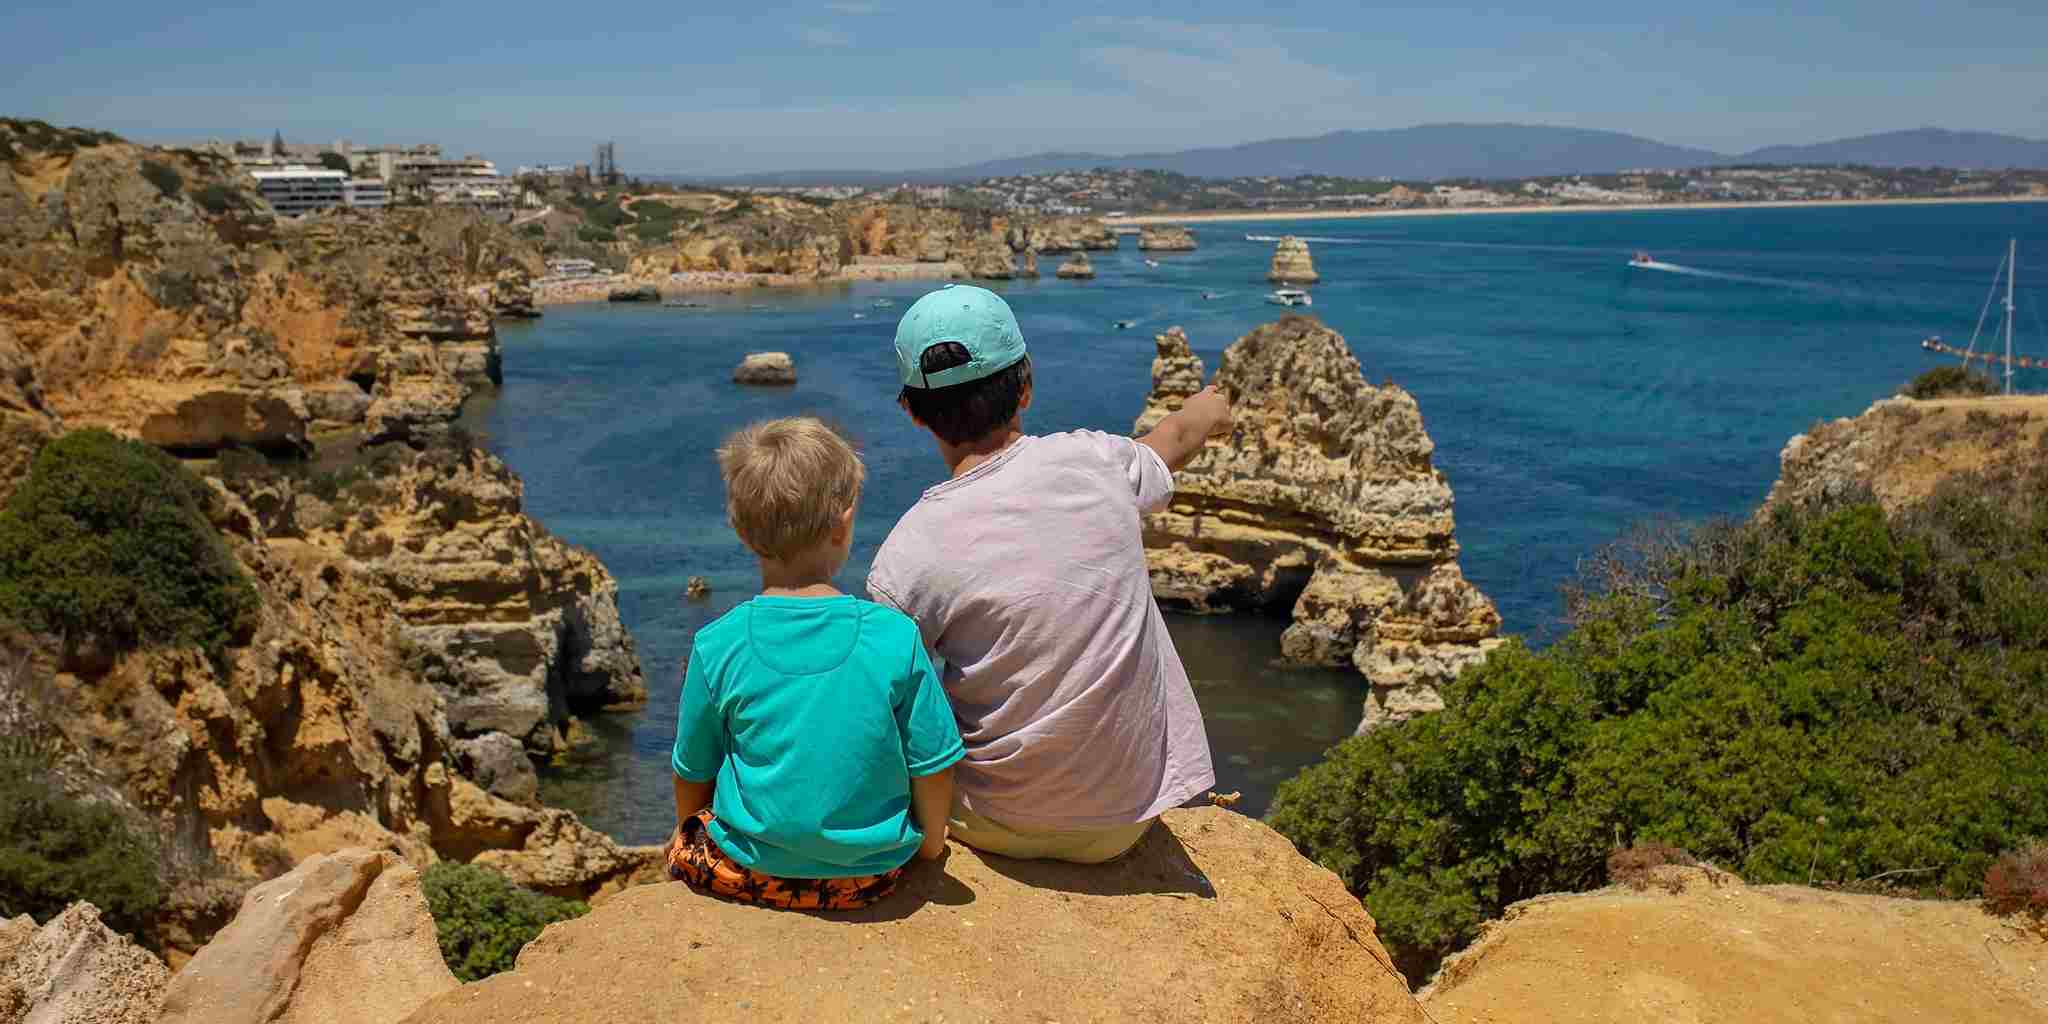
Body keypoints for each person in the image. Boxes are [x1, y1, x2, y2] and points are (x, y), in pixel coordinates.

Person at [866, 284, 1231, 864]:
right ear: (1026, 388)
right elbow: (1177, 438)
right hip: (1126, 819)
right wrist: (1211, 406)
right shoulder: (1099, 461)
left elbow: (879, 696)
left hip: (992, 821)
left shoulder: (905, 554)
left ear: (912, 412)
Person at [667, 417, 963, 910]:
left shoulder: (715, 643)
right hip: (869, 876)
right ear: (843, 523)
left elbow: (691, 771)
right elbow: (933, 765)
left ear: (741, 530)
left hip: (749, 870)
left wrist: (689, 829)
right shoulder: (895, 637)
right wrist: (930, 844)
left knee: (685, 840)